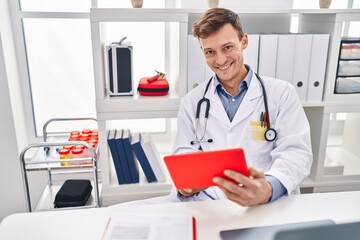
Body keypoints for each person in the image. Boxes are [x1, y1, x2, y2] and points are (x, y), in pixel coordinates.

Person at [172, 8, 313, 206]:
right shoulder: (191, 102)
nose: (220, 60)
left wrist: (268, 188)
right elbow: (183, 155)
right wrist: (186, 184)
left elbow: (297, 153)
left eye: (227, 47)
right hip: (211, 206)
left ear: (244, 41)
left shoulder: (281, 94)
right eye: (210, 52)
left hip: (266, 205)